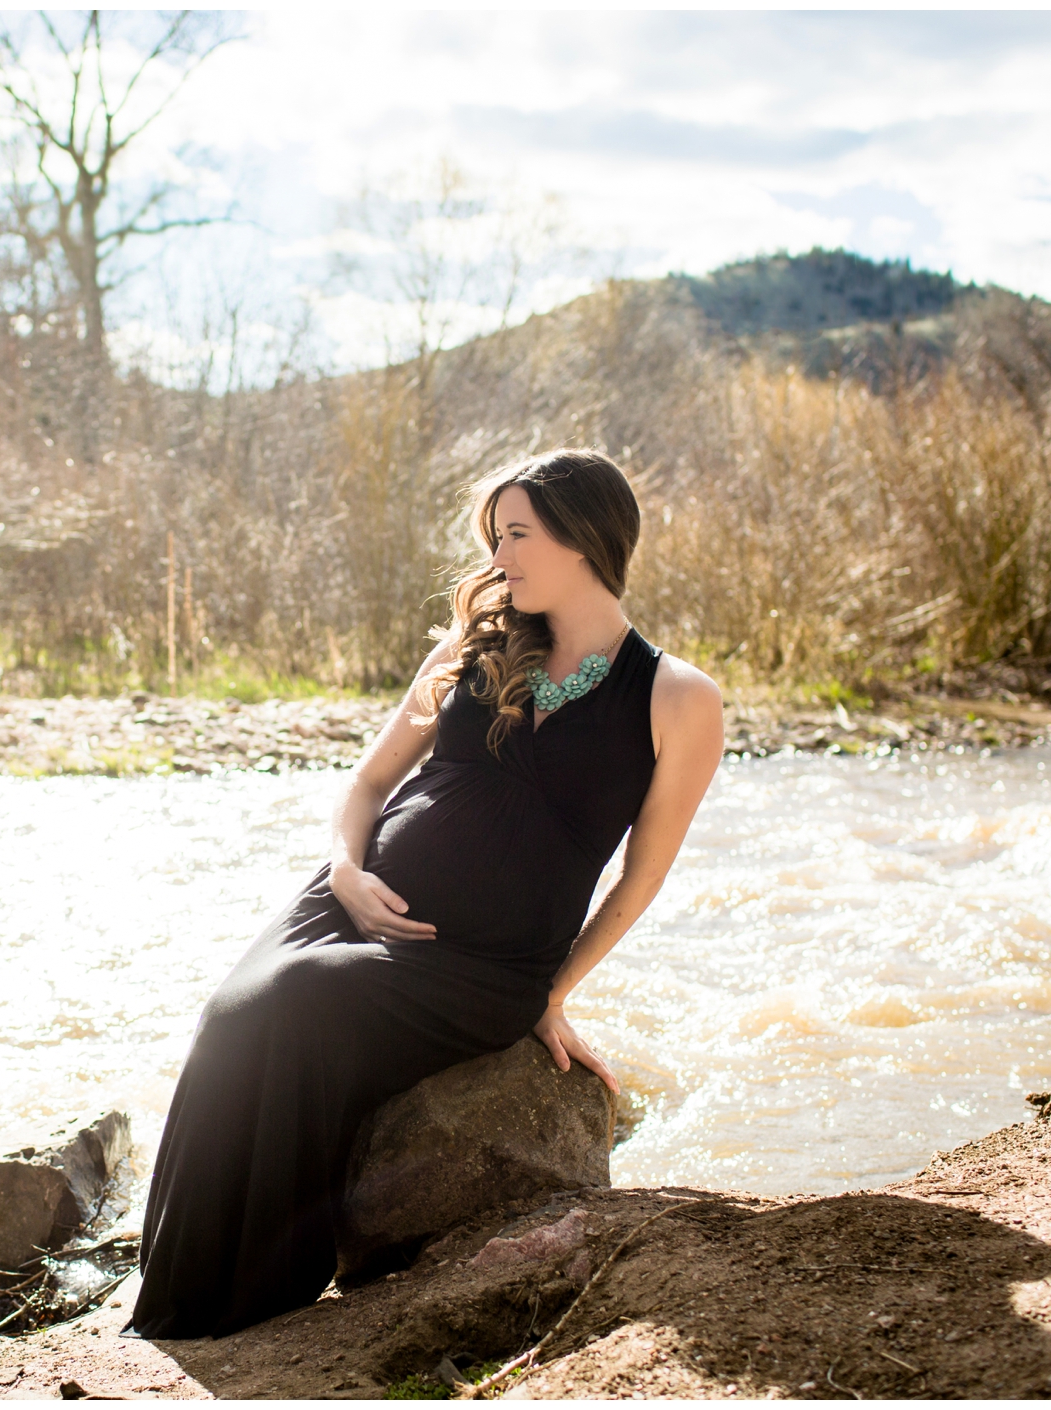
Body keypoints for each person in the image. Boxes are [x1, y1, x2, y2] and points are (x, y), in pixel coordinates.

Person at [127, 448, 725, 1340]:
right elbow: (367, 788)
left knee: (290, 1002)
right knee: (230, 1013)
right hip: (350, 900)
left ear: (584, 539)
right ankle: (175, 1292)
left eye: (517, 535)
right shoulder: (475, 648)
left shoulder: (678, 697)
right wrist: (345, 872)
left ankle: (239, 1300)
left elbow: (644, 875)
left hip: (479, 967)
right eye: (496, 538)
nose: (500, 560)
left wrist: (553, 992)